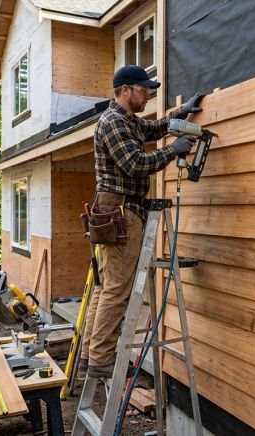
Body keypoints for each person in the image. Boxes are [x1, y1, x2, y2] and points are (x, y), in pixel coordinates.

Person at [79, 65, 203, 378]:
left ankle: (89, 355)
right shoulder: (113, 123)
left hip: (117, 210)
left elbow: (155, 129)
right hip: (121, 212)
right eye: (144, 89)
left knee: (105, 287)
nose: (148, 94)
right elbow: (135, 165)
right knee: (116, 290)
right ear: (126, 90)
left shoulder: (128, 121)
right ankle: (101, 360)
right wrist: (173, 151)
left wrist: (180, 114)